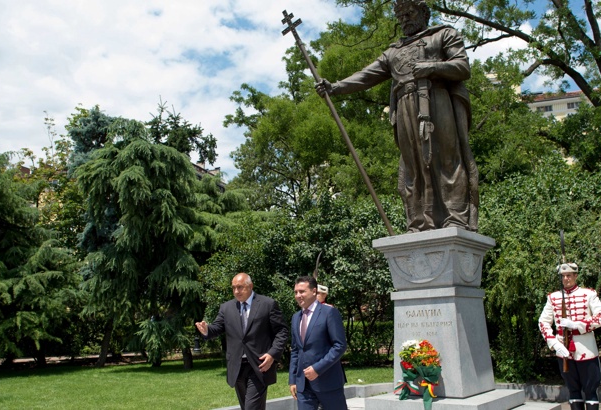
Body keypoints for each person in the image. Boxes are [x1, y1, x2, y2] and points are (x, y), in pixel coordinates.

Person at [315, 0, 478, 233]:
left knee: (447, 158)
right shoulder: (395, 51)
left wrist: (431, 67)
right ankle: (420, 222)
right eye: (400, 16)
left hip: (437, 99)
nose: (405, 19)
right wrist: (335, 87)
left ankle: (455, 218)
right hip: (405, 106)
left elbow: (462, 67)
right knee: (413, 164)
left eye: (409, 13)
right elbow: (366, 75)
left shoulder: (443, 35)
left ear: (423, 13)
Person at [195, 273, 288, 410]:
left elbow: (282, 331)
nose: (236, 291)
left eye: (240, 287)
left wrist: (272, 354)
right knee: (247, 407)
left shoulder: (267, 304)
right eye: (233, 288)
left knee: (251, 407)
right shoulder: (226, 308)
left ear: (250, 286)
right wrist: (206, 330)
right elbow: (217, 327)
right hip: (237, 366)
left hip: (259, 365)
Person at [538, 263, 601, 410]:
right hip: (563, 350)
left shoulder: (588, 294)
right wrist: (554, 343)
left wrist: (577, 324)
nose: (566, 278)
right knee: (573, 389)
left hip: (586, 349)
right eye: (563, 276)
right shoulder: (553, 297)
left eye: (569, 275)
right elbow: (543, 322)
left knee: (590, 390)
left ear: (575, 276)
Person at [289, 276, 348, 410]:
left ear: (314, 291)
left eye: (302, 291)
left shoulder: (329, 313)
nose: (298, 295)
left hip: (328, 382)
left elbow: (339, 345)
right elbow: (296, 350)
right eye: (296, 292)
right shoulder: (295, 318)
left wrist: (317, 368)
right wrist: (293, 379)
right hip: (304, 386)